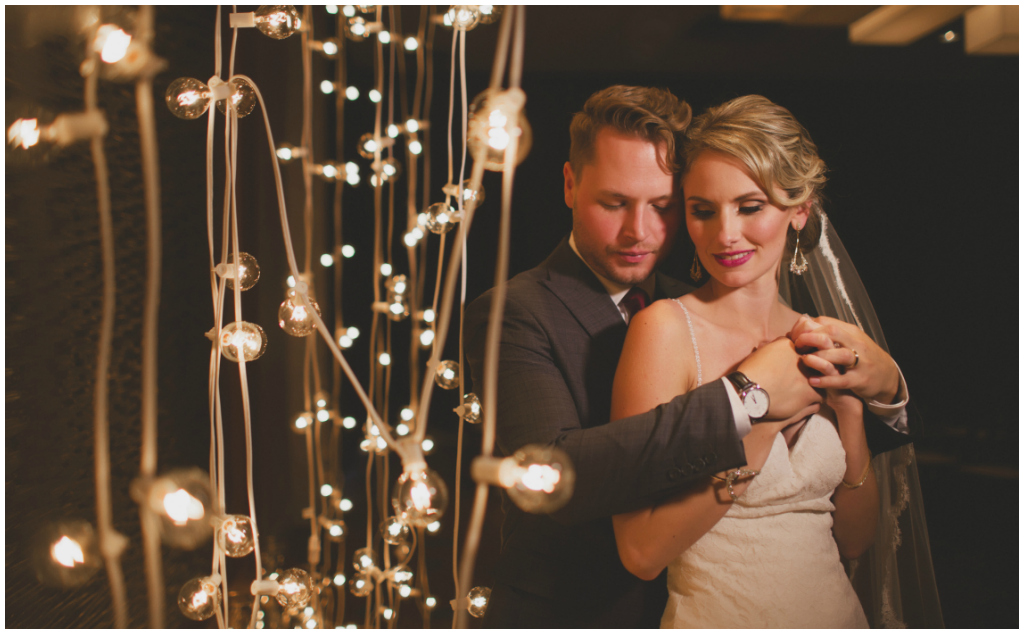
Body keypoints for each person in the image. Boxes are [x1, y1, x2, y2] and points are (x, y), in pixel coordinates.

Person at [463, 86, 907, 628]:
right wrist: (747, 398)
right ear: (570, 184)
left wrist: (885, 385)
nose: (639, 232)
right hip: (579, 610)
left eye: (664, 206)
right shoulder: (516, 311)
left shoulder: (698, 293)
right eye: (614, 202)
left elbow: (856, 513)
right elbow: (551, 471)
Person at [610, 94, 939, 628]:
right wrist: (762, 419)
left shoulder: (818, 336)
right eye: (703, 210)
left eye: (750, 206)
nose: (725, 234)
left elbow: (855, 541)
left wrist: (851, 416)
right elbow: (641, 551)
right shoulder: (665, 330)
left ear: (799, 211)